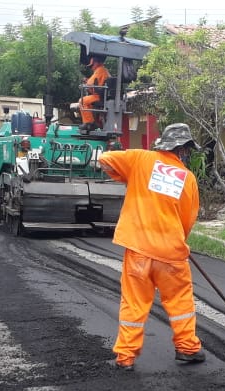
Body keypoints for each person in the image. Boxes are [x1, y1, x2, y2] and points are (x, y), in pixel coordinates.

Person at [98, 123, 205, 370]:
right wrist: (178, 239)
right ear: (184, 150)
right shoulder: (187, 178)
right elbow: (187, 220)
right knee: (180, 301)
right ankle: (187, 349)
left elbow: (105, 159)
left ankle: (125, 357)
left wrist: (125, 176)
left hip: (138, 250)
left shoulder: (140, 160)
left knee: (134, 303)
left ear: (164, 144)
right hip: (170, 253)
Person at [70, 55, 110, 132]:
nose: (91, 67)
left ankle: (89, 123)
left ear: (97, 63)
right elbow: (94, 82)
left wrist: (86, 83)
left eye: (92, 65)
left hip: (99, 96)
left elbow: (90, 83)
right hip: (102, 95)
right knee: (88, 103)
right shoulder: (104, 70)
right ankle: (92, 122)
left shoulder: (100, 70)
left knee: (82, 101)